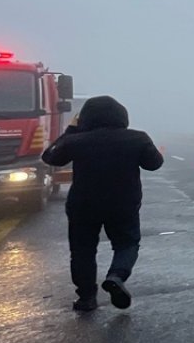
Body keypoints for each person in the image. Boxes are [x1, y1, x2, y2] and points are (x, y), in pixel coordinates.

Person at [41, 96, 163, 312]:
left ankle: (87, 297)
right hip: (123, 204)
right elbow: (154, 164)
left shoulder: (76, 140)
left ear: (85, 119)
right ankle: (117, 275)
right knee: (127, 243)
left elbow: (50, 158)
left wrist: (71, 130)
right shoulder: (137, 139)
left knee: (82, 250)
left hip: (83, 205)